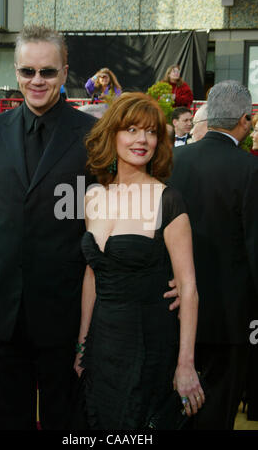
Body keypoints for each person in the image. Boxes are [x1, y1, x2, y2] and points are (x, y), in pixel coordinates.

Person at [0, 25, 97, 430]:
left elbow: (100, 212)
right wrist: (9, 246)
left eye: (47, 71)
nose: (36, 81)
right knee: (11, 419)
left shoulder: (91, 135)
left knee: (64, 420)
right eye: (27, 71)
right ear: (16, 71)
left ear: (64, 72)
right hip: (4, 304)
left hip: (64, 307)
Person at [73, 92, 204, 430]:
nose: (142, 140)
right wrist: (83, 343)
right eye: (131, 129)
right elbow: (93, 275)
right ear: (112, 134)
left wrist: (185, 364)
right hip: (102, 344)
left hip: (149, 343)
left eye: (150, 132)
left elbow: (188, 288)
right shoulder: (93, 197)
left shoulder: (168, 200)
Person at [168, 80, 258, 430]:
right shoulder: (250, 170)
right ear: (244, 120)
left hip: (173, 309)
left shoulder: (172, 161)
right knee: (216, 414)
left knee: (173, 413)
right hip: (230, 318)